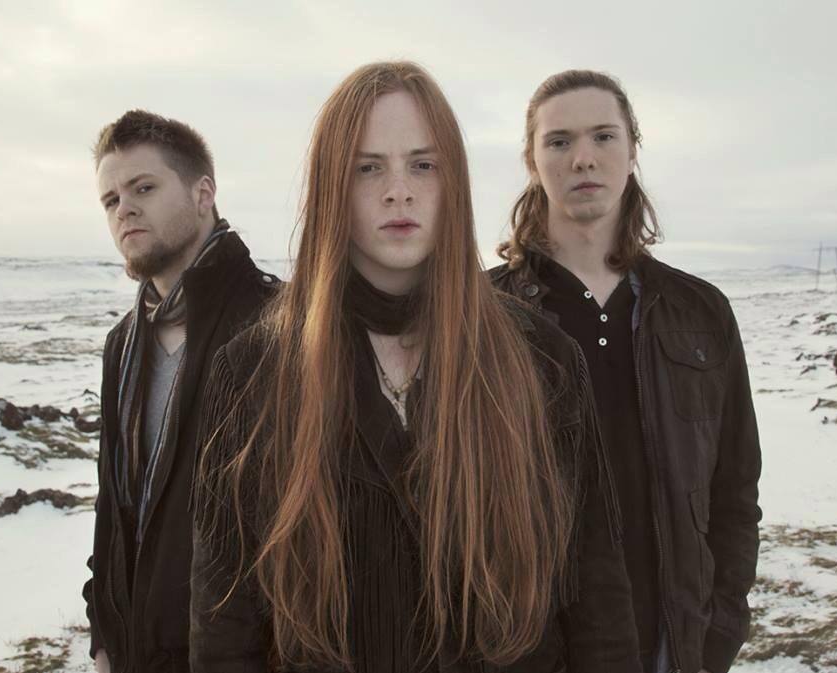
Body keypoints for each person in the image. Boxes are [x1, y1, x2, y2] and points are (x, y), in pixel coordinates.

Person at [189, 61, 641, 673]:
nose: (398, 190)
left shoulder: (542, 357)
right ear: (330, 188)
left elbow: (596, 595)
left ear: (453, 182)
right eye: (368, 167)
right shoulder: (252, 371)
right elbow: (224, 627)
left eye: (423, 165)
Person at [490, 70, 762, 673]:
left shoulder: (700, 311)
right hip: (529, 648)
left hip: (671, 641)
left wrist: (721, 625)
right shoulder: (484, 313)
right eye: (559, 141)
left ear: (633, 149)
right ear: (532, 161)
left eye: (603, 136)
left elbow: (735, 487)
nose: (583, 157)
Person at [82, 109, 280, 673]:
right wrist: (104, 635)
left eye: (143, 187)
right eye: (111, 199)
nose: (124, 209)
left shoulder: (278, 323)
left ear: (203, 193)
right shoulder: (123, 343)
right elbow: (114, 506)